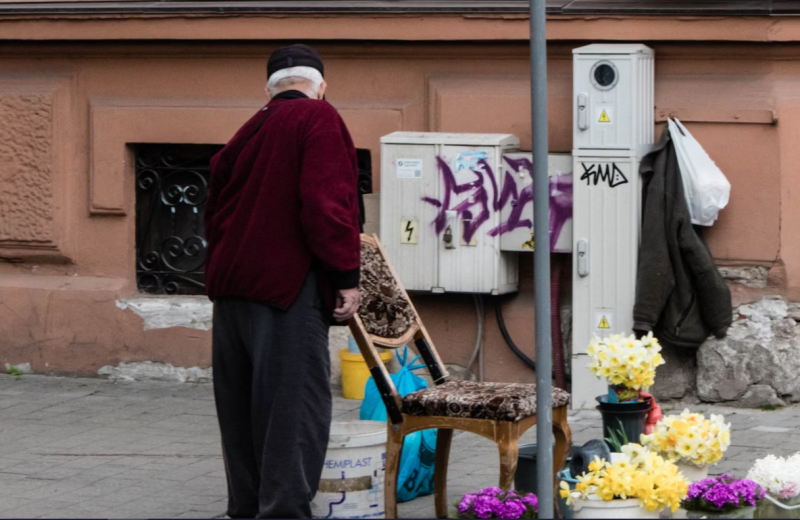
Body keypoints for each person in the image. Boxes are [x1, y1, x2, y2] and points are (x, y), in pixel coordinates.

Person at [204, 44, 362, 519]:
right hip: (286, 288)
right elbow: (326, 205)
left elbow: (214, 211)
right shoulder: (319, 118)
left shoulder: (248, 130)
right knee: (294, 413)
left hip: (231, 288)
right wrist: (346, 276)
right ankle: (284, 512)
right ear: (320, 85)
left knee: (242, 411)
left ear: (270, 88)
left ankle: (249, 508)